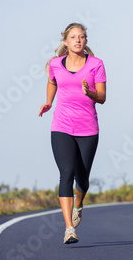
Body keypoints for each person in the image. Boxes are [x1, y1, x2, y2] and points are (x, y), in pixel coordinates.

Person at [38, 22, 106, 244]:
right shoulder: (55, 64)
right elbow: (52, 82)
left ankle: (79, 203)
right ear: (65, 41)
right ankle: (69, 228)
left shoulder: (96, 64)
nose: (78, 40)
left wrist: (90, 93)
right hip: (62, 126)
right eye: (74, 37)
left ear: (86, 41)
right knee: (66, 173)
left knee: (82, 178)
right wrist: (49, 102)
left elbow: (103, 98)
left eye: (82, 37)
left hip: (88, 128)